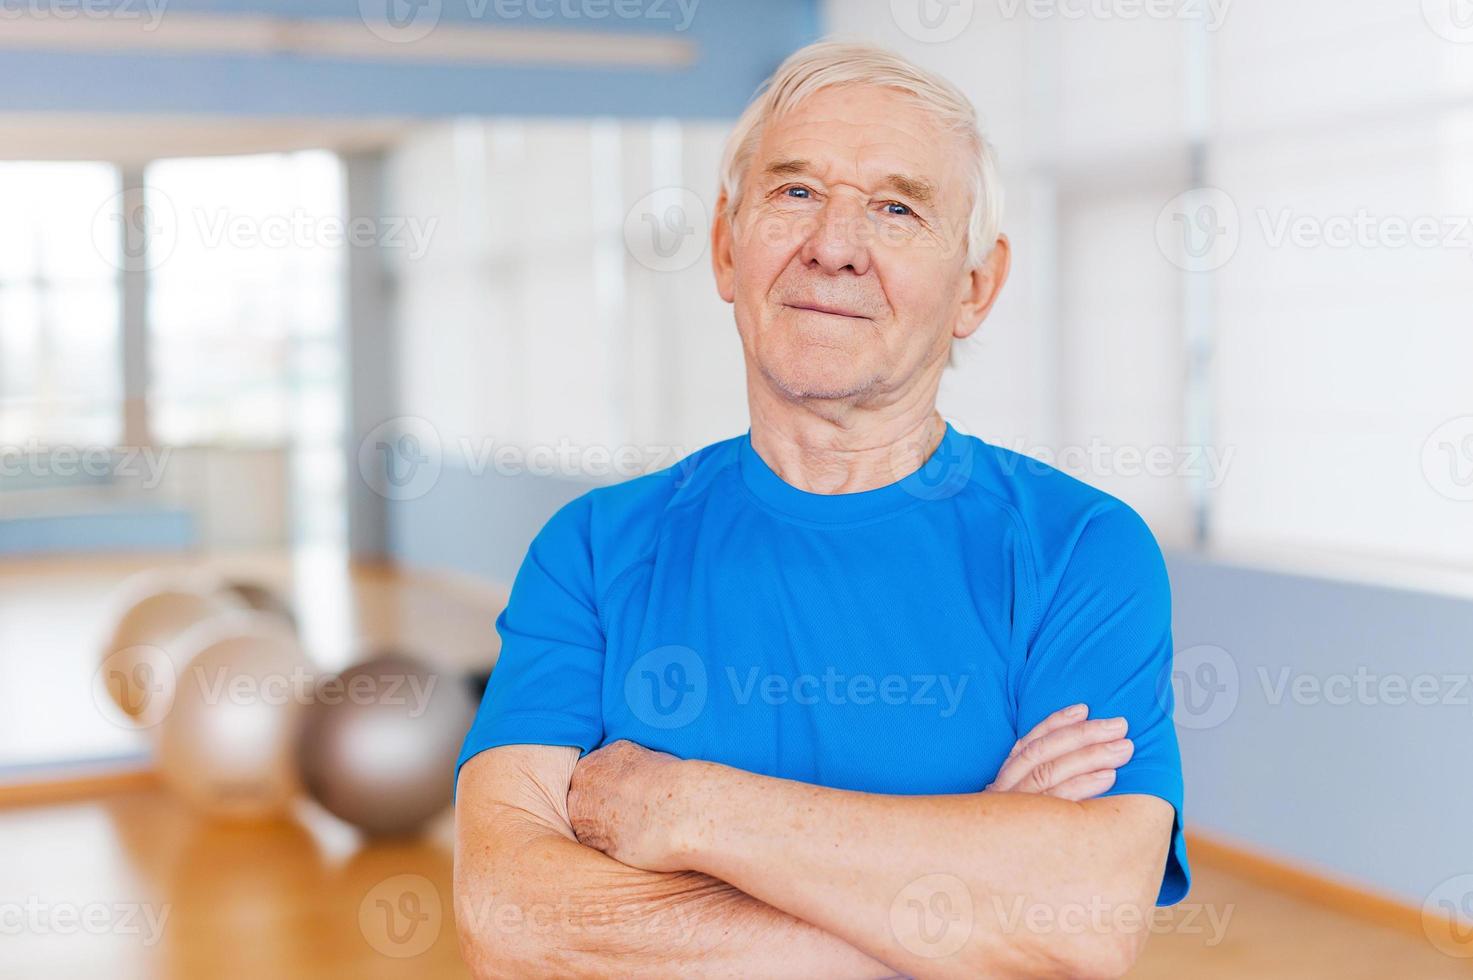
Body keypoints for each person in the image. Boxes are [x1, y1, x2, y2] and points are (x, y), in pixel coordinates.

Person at [454, 39, 1188, 979]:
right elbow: (509, 923)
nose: (833, 248)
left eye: (896, 208)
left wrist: (684, 808)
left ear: (976, 287)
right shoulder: (591, 552)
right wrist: (950, 916)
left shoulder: (1080, 552)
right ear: (726, 247)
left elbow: (1078, 929)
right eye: (794, 194)